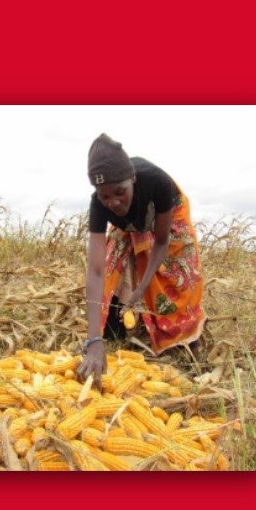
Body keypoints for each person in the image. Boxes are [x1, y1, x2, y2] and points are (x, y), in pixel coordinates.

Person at [77, 133, 205, 387]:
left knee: (177, 271)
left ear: (132, 179)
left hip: (165, 217)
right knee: (115, 265)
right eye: (104, 196)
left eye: (120, 192)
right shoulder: (99, 204)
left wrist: (141, 289)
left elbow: (160, 242)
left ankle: (185, 338)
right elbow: (95, 269)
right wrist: (93, 340)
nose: (113, 202)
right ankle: (114, 330)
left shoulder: (157, 181)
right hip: (132, 223)